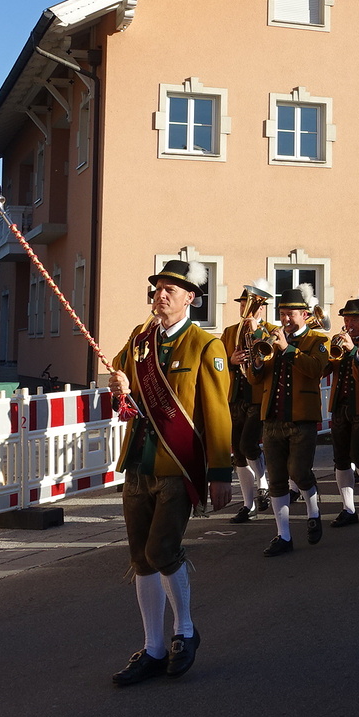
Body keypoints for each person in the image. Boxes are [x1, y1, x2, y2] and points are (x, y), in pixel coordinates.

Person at [106, 259, 233, 685]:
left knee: (161, 550)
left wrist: (220, 472)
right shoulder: (139, 340)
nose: (161, 296)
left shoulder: (205, 345)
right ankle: (153, 648)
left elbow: (217, 413)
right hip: (138, 463)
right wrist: (119, 386)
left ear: (190, 298)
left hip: (177, 465)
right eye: (157, 289)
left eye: (170, 290)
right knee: (140, 558)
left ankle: (185, 630)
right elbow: (122, 390)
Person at [251, 284, 330, 556]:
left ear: (305, 315)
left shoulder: (318, 340)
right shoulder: (272, 339)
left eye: (291, 314)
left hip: (301, 419)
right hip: (272, 418)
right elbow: (255, 379)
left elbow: (316, 369)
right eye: (283, 313)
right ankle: (283, 535)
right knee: (276, 479)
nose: (285, 319)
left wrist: (287, 349)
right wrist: (256, 363)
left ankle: (314, 512)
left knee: (299, 472)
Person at [222, 284, 275, 523]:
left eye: (251, 306)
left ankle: (263, 485)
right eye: (243, 306)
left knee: (248, 445)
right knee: (238, 452)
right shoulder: (229, 332)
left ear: (261, 309)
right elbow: (218, 363)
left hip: (258, 397)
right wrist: (230, 361)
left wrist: (257, 333)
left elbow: (271, 360)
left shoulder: (271, 331)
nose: (246, 310)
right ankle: (248, 504)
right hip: (235, 396)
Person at [325, 295, 359, 527]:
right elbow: (326, 368)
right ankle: (348, 508)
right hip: (340, 404)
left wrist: (351, 350)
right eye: (347, 319)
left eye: (354, 320)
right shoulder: (338, 338)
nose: (349, 324)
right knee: (340, 458)